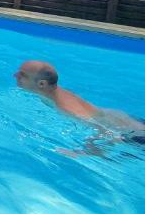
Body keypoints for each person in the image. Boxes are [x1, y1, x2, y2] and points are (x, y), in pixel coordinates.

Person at [14, 60, 145, 152]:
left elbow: (108, 134)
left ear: (42, 84)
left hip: (135, 136)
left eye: (22, 75)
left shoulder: (66, 108)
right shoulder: (54, 91)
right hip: (130, 121)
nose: (15, 76)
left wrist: (82, 153)